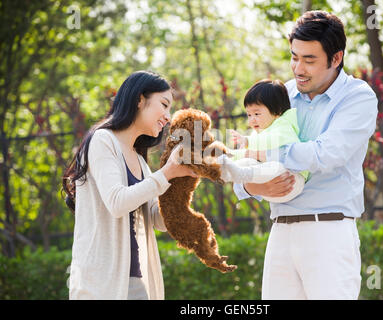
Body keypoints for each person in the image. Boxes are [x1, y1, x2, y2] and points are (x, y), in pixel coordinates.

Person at [233, 11, 378, 299]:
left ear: (336, 59)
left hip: (329, 230)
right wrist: (250, 185)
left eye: (309, 60)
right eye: (294, 57)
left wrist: (263, 151)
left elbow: (326, 154)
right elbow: (247, 157)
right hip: (281, 230)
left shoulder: (358, 97)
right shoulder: (281, 94)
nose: (298, 68)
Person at [62, 71, 197, 300]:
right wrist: (166, 173)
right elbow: (117, 202)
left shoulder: (141, 162)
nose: (168, 116)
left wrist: (181, 181)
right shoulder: (102, 140)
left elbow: (158, 221)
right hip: (99, 284)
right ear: (139, 99)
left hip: (134, 281)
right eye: (164, 104)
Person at [226, 79, 310, 203]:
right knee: (245, 162)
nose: (252, 120)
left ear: (277, 111)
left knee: (262, 163)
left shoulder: (283, 126)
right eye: (249, 115)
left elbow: (271, 141)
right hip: (271, 186)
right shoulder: (259, 134)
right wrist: (229, 155)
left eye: (256, 114)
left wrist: (247, 141)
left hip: (291, 179)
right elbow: (248, 153)